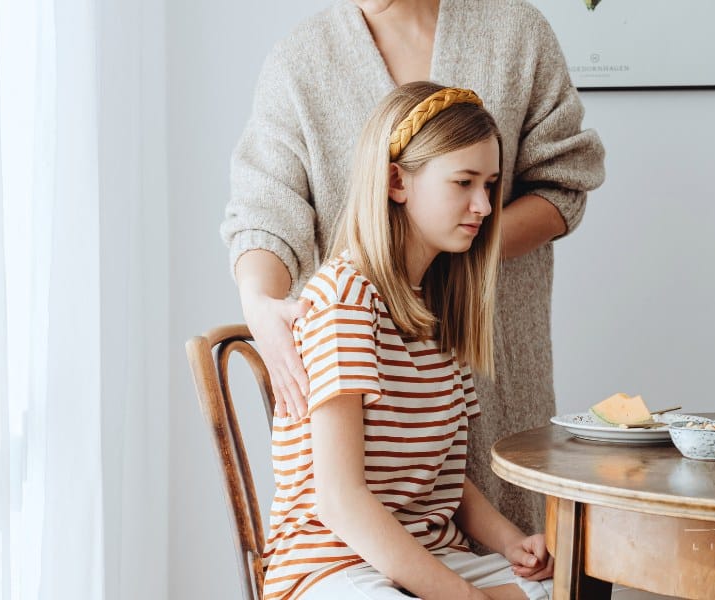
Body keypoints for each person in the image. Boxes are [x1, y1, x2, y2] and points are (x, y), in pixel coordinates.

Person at [222, 0, 605, 536]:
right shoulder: (300, 61)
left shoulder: (517, 33)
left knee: (518, 549)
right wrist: (259, 303)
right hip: (368, 374)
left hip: (493, 354)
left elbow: (564, 182)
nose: (480, 200)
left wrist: (454, 251)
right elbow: (266, 209)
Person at [263, 81, 553, 599]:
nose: (484, 207)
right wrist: (467, 598)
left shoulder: (437, 309)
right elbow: (339, 500)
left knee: (584, 587)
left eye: (489, 185)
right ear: (396, 182)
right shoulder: (344, 301)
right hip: (333, 565)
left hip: (431, 556)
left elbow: (441, 479)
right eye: (463, 182)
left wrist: (512, 543)